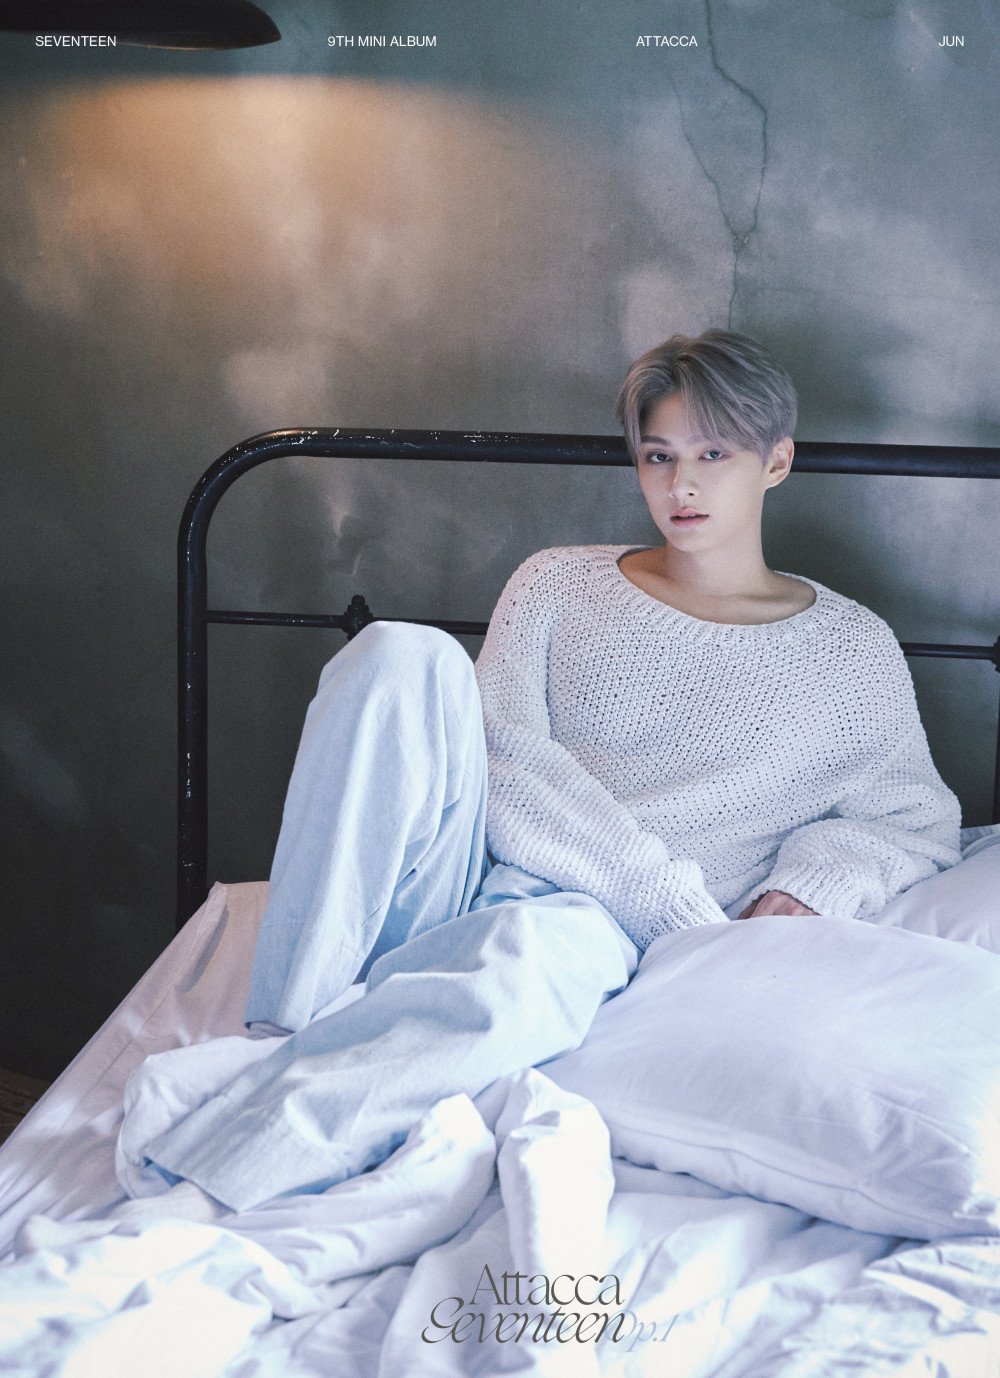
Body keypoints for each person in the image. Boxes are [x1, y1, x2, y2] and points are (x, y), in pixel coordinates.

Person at [135, 329, 962, 1216]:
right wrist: (658, 895)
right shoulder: (559, 584)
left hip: (587, 922)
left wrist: (811, 885)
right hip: (472, 871)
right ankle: (289, 1017)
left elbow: (911, 816)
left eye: (713, 454)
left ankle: (220, 1171)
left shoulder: (848, 649)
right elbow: (506, 754)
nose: (680, 486)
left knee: (518, 961)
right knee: (396, 653)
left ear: (777, 461)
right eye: (659, 455)